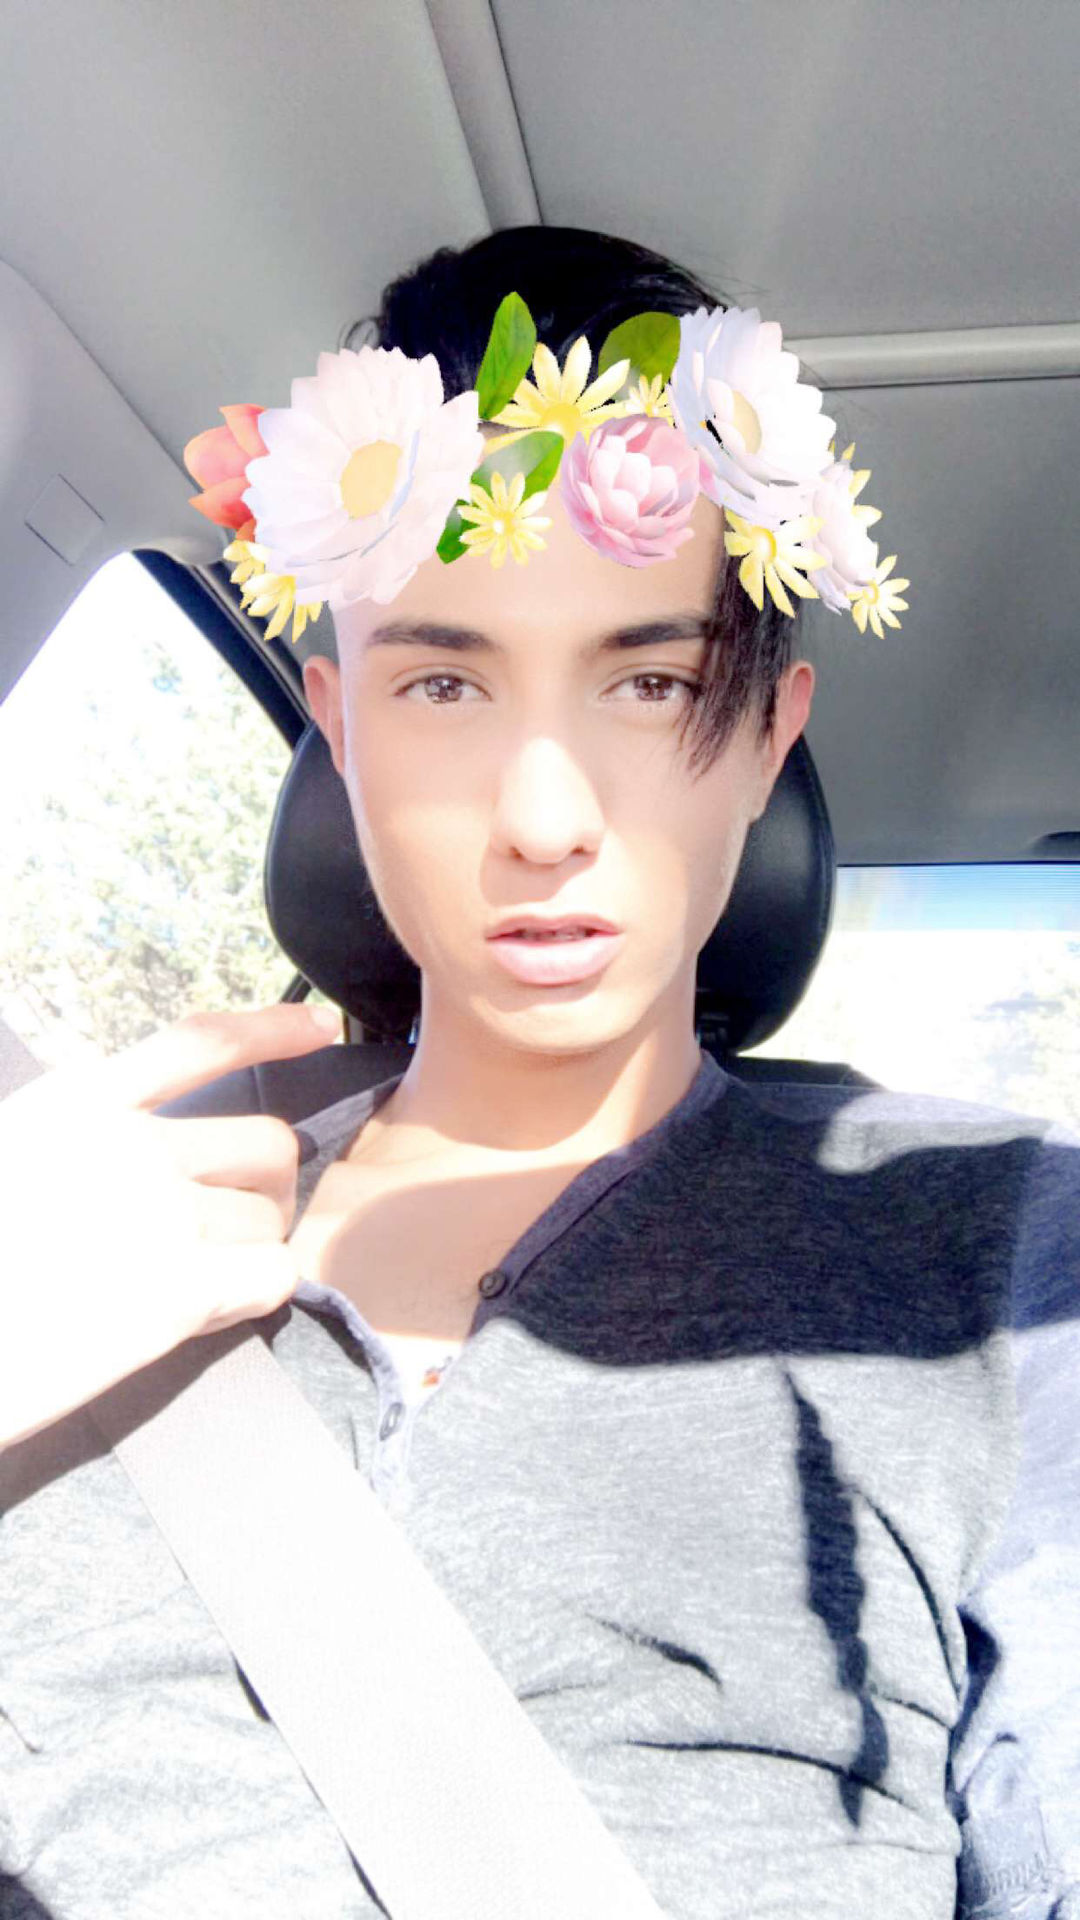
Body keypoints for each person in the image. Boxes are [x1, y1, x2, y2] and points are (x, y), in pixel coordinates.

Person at [1, 225, 1077, 1920]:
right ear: (337, 725)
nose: (546, 817)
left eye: (649, 682)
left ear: (770, 737)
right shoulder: (75, 1231)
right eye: (443, 680)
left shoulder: (1000, 1261)